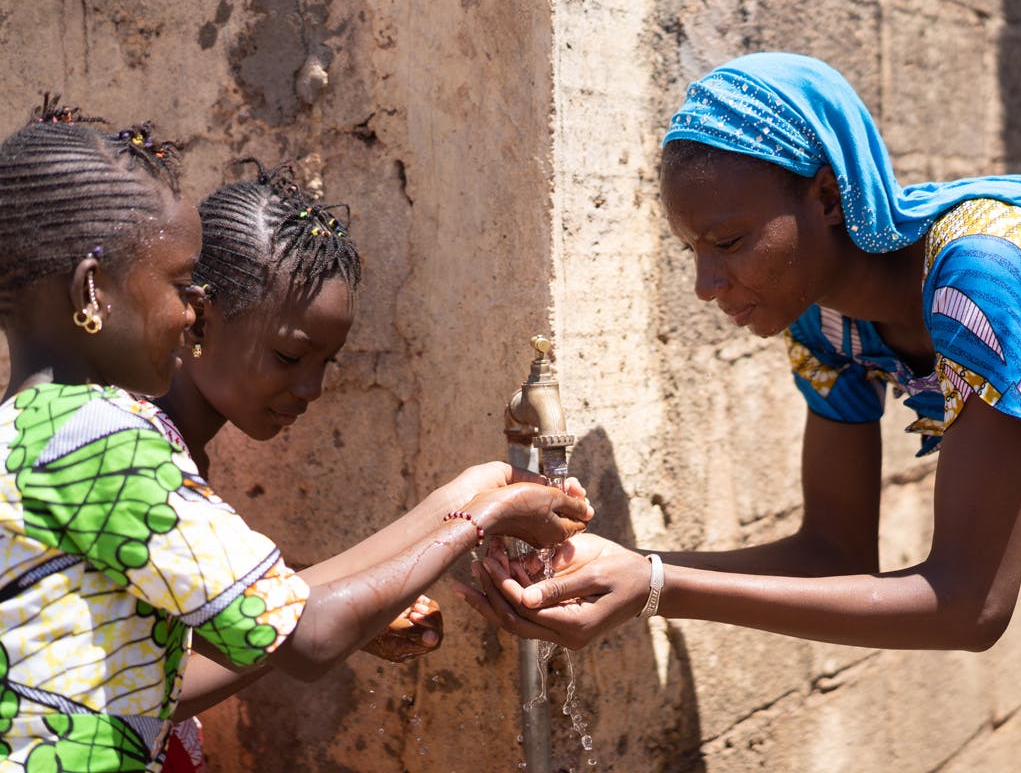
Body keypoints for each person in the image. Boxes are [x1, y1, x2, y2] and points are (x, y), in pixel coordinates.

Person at [459, 52, 1021, 771]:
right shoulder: (827, 325)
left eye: (728, 242)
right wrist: (624, 571)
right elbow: (833, 556)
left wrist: (656, 586)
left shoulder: (982, 273)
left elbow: (969, 606)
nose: (707, 283)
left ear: (825, 198)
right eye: (692, 250)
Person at [0, 102, 591, 772]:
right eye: (178, 287)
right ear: (91, 291)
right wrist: (482, 515)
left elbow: (267, 616)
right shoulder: (110, 437)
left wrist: (459, 496)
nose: (191, 308)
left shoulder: (32, 433)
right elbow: (304, 635)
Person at [153, 163, 442, 773]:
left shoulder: (177, 443)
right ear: (202, 318)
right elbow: (168, 692)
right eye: (289, 355)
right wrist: (473, 507)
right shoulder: (141, 448)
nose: (310, 388)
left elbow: (187, 628)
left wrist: (330, 604)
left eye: (327, 363)